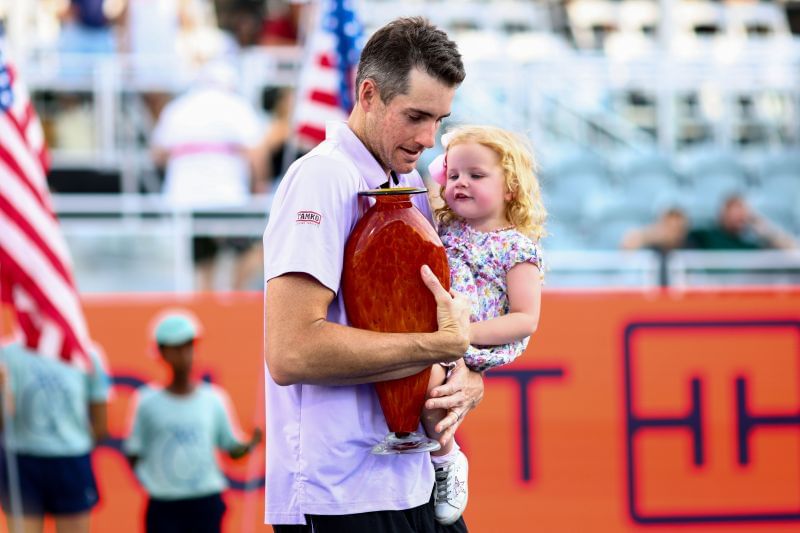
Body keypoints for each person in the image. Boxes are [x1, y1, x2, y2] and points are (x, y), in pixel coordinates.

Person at [262, 17, 484, 533]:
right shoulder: (321, 177)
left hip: (412, 481)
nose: (429, 139)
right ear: (369, 94)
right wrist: (439, 347)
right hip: (337, 495)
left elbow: (441, 332)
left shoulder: (408, 184)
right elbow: (292, 351)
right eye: (416, 116)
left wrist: (467, 377)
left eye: (440, 119)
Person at [423, 125, 545, 524]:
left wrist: (464, 334)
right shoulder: (446, 226)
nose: (461, 183)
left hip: (477, 338)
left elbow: (526, 318)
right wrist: (441, 166)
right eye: (454, 175)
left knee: (433, 392)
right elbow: (427, 183)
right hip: (440, 331)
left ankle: (447, 460)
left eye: (476, 176)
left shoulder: (517, 248)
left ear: (510, 186)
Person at [123, 311, 262, 533]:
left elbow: (231, 449)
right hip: (164, 505)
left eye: (189, 346)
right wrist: (155, 484)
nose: (185, 354)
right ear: (161, 352)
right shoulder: (146, 402)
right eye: (176, 348)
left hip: (206, 503)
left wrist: (250, 444)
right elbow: (134, 452)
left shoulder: (214, 399)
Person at [150, 60, 266, 291]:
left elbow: (158, 154)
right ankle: (234, 294)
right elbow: (256, 153)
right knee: (257, 250)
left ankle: (208, 304)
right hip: (228, 196)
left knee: (203, 262)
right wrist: (258, 185)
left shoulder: (178, 108)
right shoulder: (236, 106)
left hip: (185, 197)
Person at [0, 342, 111, 533]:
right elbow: (3, 424)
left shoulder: (87, 353)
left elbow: (101, 426)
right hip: (22, 461)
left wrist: (66, 441)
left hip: (71, 462)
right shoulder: (7, 355)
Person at [686, 194, 798, 250]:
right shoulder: (707, 236)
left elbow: (793, 250)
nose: (738, 217)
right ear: (723, 213)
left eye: (742, 212)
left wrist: (764, 229)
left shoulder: (747, 246)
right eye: (734, 211)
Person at [621, 207, 689, 286]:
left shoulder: (691, 247)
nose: (673, 232)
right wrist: (649, 235)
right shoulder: (652, 245)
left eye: (678, 228)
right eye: (669, 226)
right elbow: (627, 246)